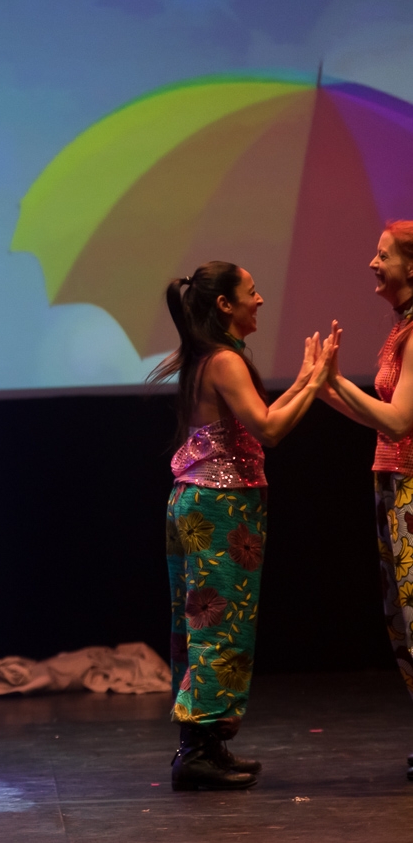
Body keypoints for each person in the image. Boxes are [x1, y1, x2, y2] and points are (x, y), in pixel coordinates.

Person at [150, 261, 333, 791]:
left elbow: (259, 419)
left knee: (206, 624)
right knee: (217, 626)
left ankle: (207, 744)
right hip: (218, 507)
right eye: (252, 292)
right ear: (225, 304)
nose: (260, 300)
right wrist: (316, 382)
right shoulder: (224, 360)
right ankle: (196, 752)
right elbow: (270, 429)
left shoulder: (211, 357)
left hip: (204, 503)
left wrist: (306, 381)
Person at [314, 220, 413, 779]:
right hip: (392, 483)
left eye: (383, 255)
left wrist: (337, 382)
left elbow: (398, 421)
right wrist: (324, 386)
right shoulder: (401, 326)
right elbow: (381, 422)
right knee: (401, 621)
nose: (373, 264)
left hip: (411, 489)